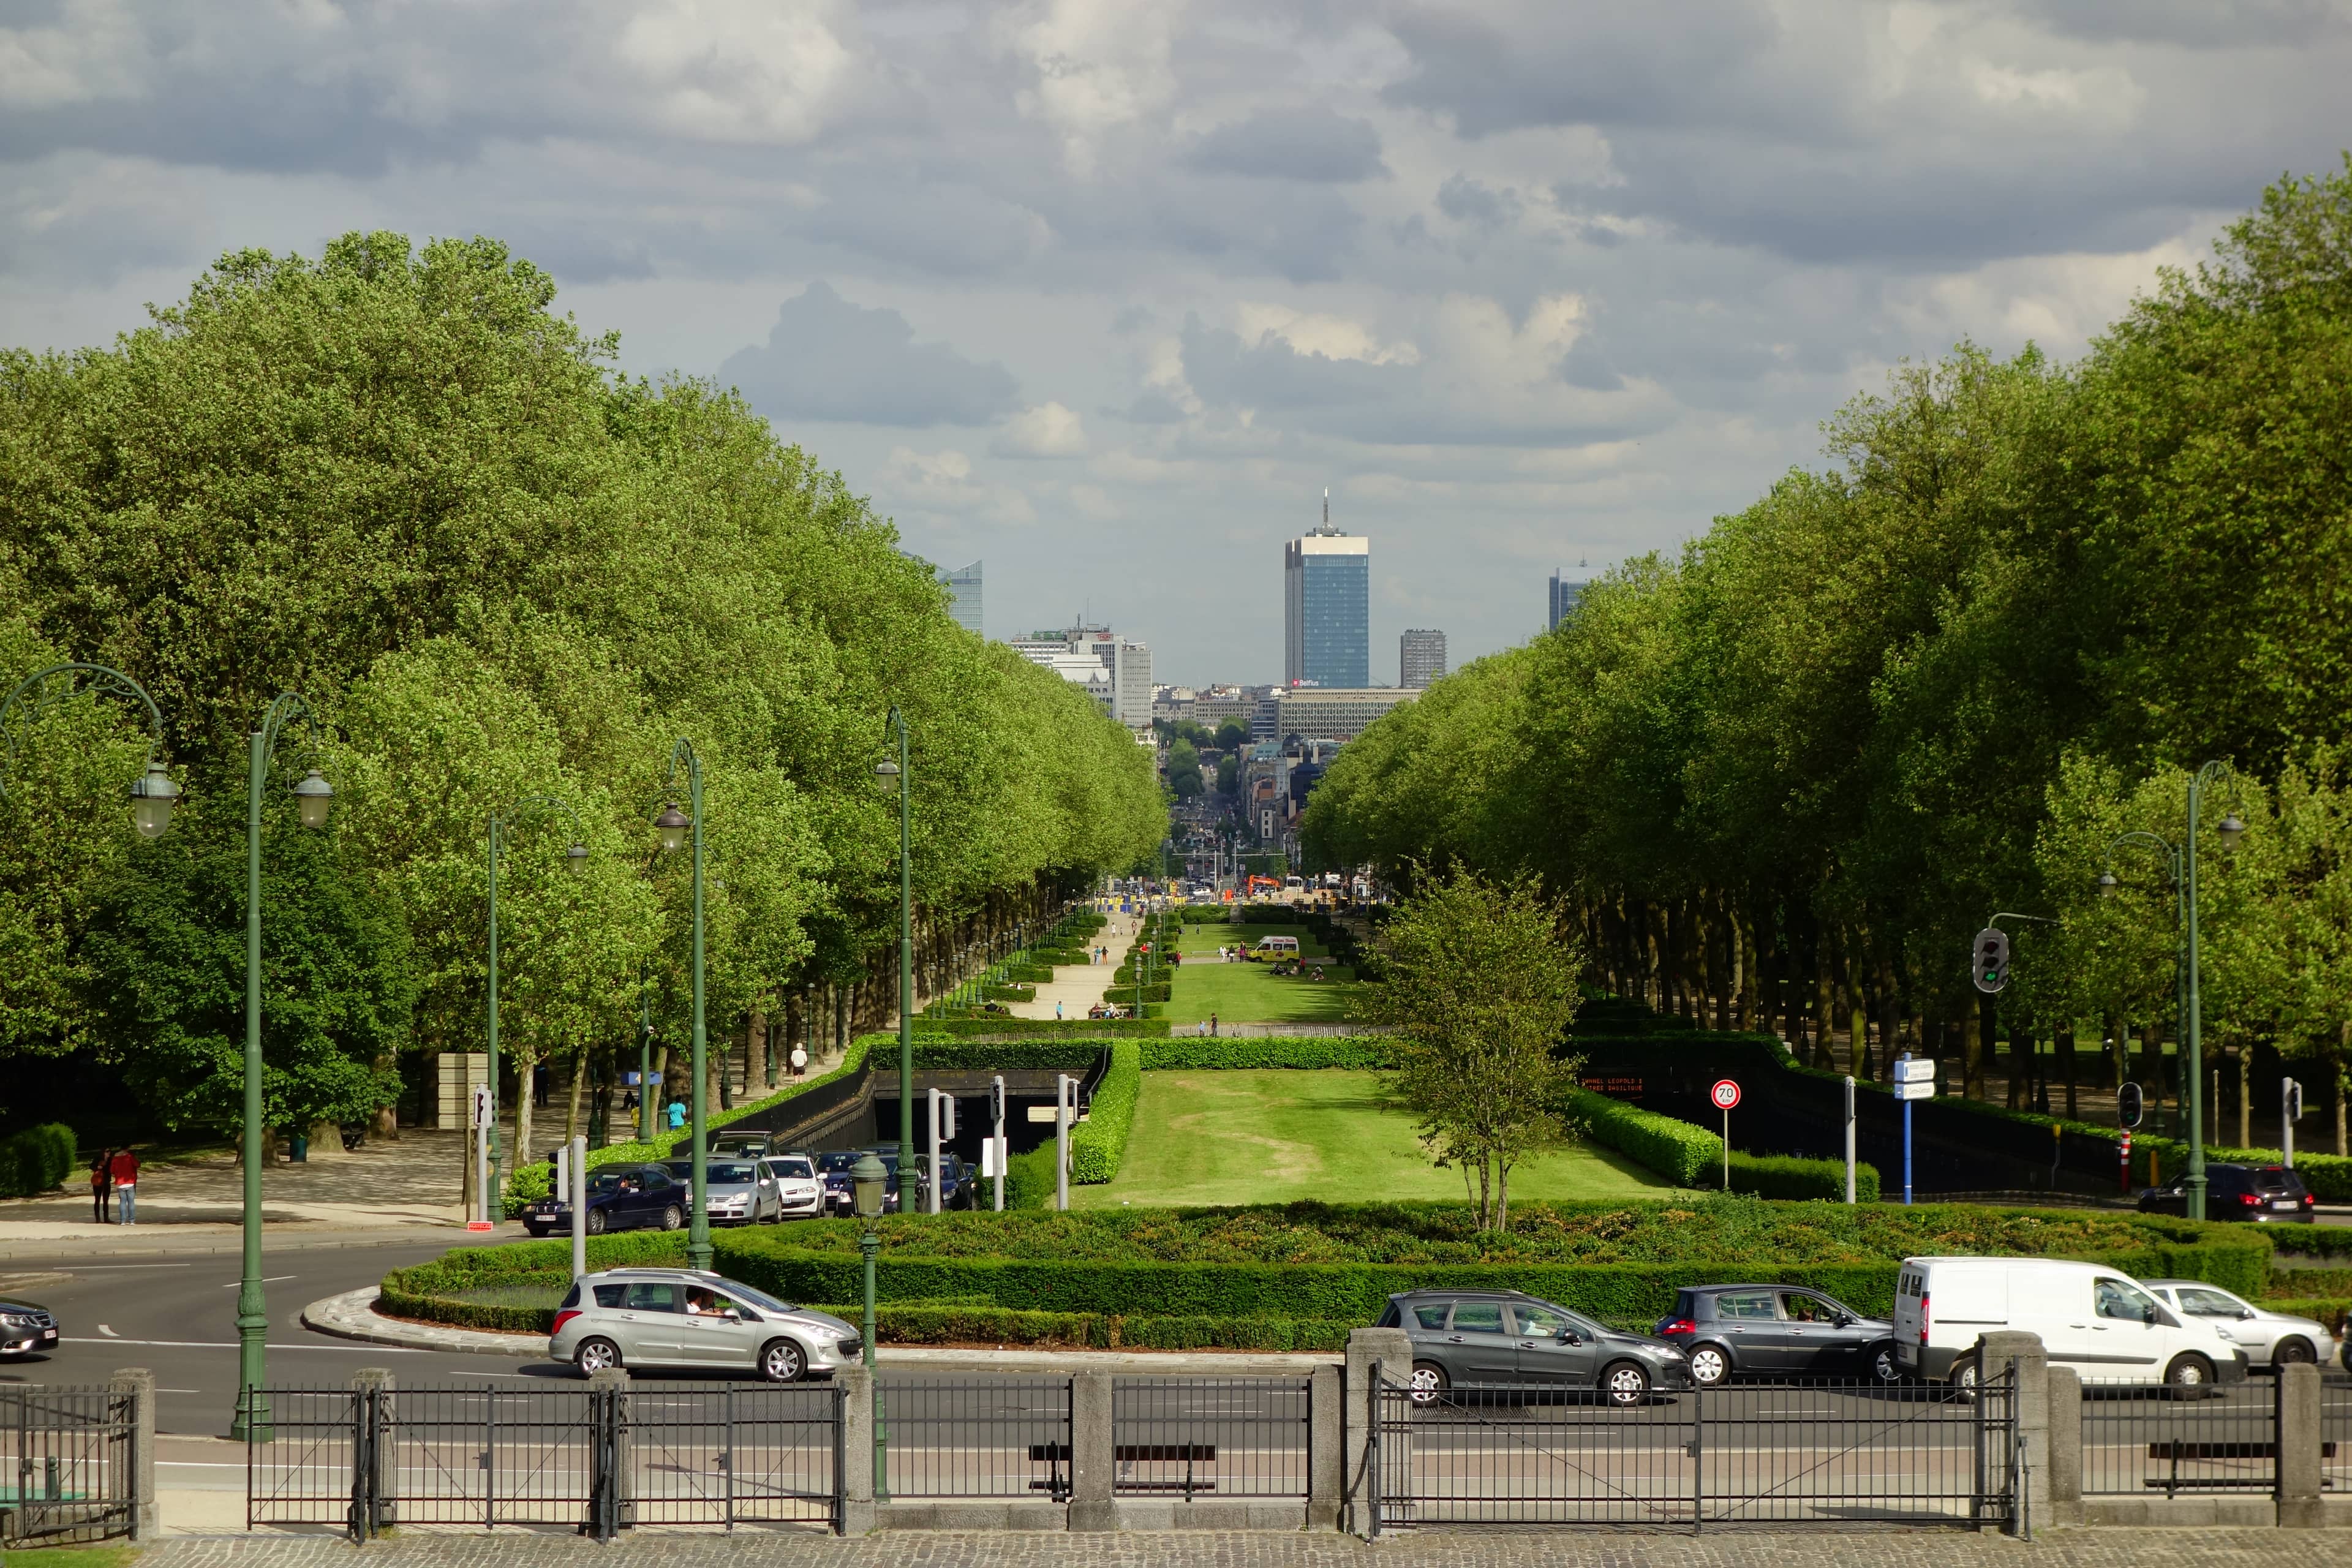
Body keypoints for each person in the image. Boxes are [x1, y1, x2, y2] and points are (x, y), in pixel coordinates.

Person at [109, 1146, 139, 1225]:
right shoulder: (129, 1157)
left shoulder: (115, 1158)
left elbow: (112, 1170)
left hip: (120, 1182)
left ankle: (123, 1221)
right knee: (131, 1202)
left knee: (122, 1202)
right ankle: (132, 1220)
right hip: (130, 1181)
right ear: (127, 1149)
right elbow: (137, 1164)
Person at [89, 1148, 113, 1224]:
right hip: (98, 1182)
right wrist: (97, 1168)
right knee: (97, 1200)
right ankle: (98, 1218)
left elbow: (111, 1169)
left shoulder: (110, 1160)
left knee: (106, 1200)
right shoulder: (98, 1159)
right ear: (103, 1152)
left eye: (109, 1152)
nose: (109, 1153)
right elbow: (91, 1166)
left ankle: (106, 1218)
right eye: (107, 1152)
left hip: (106, 1182)